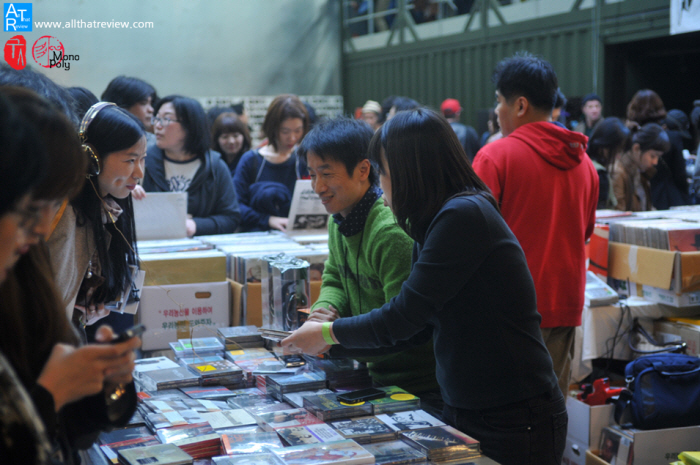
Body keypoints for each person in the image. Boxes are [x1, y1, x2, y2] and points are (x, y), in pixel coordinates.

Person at [282, 109, 566, 465]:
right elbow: (415, 328)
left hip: (512, 413)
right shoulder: (431, 221)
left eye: (383, 171)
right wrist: (330, 342)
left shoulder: (462, 216)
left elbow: (403, 317)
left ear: (409, 169)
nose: (381, 182)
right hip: (467, 406)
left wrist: (328, 333)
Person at [0, 87, 139, 465]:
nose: (44, 225)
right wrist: (51, 395)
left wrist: (105, 385)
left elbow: (73, 428)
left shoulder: (26, 268)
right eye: (31, 207)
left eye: (55, 203)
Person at [472, 53, 598, 397]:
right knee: (550, 410)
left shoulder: (495, 157)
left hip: (509, 311)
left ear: (521, 105)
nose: (496, 111)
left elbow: (469, 238)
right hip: (565, 304)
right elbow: (584, 232)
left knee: (504, 414)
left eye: (499, 101)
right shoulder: (584, 162)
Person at [297, 118, 439, 399]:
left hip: (420, 385)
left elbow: (403, 326)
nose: (317, 187)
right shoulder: (338, 219)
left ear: (364, 169)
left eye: (326, 174)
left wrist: (328, 337)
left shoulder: (390, 232)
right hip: (371, 374)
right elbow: (335, 277)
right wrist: (323, 311)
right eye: (312, 175)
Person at [142, 95, 241, 236]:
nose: (157, 125)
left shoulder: (215, 165)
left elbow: (231, 218)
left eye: (166, 119)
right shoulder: (143, 162)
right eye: (157, 118)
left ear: (190, 125)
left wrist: (195, 225)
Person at [233, 94, 309, 232]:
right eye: (285, 131)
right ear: (273, 128)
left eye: (298, 130)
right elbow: (235, 205)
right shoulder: (251, 160)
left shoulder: (304, 159)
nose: (292, 138)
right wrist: (267, 219)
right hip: (258, 236)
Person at [611, 123, 670, 212]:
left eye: (658, 157)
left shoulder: (641, 172)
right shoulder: (619, 173)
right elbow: (618, 214)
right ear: (636, 149)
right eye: (653, 156)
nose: (655, 162)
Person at [587, 117, 630, 209]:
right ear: (605, 145)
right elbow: (600, 216)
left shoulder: (584, 161)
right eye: (616, 150)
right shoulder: (599, 173)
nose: (618, 156)